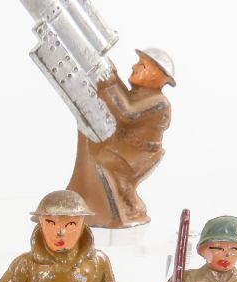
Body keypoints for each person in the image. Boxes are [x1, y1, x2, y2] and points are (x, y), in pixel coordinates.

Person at [68, 48, 175, 228]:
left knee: (102, 160)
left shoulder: (159, 102)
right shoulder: (140, 93)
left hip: (137, 153)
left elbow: (127, 113)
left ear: (155, 77)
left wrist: (108, 86)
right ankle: (111, 194)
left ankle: (118, 197)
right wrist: (113, 75)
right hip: (124, 145)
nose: (134, 67)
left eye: (142, 66)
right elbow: (124, 96)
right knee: (92, 142)